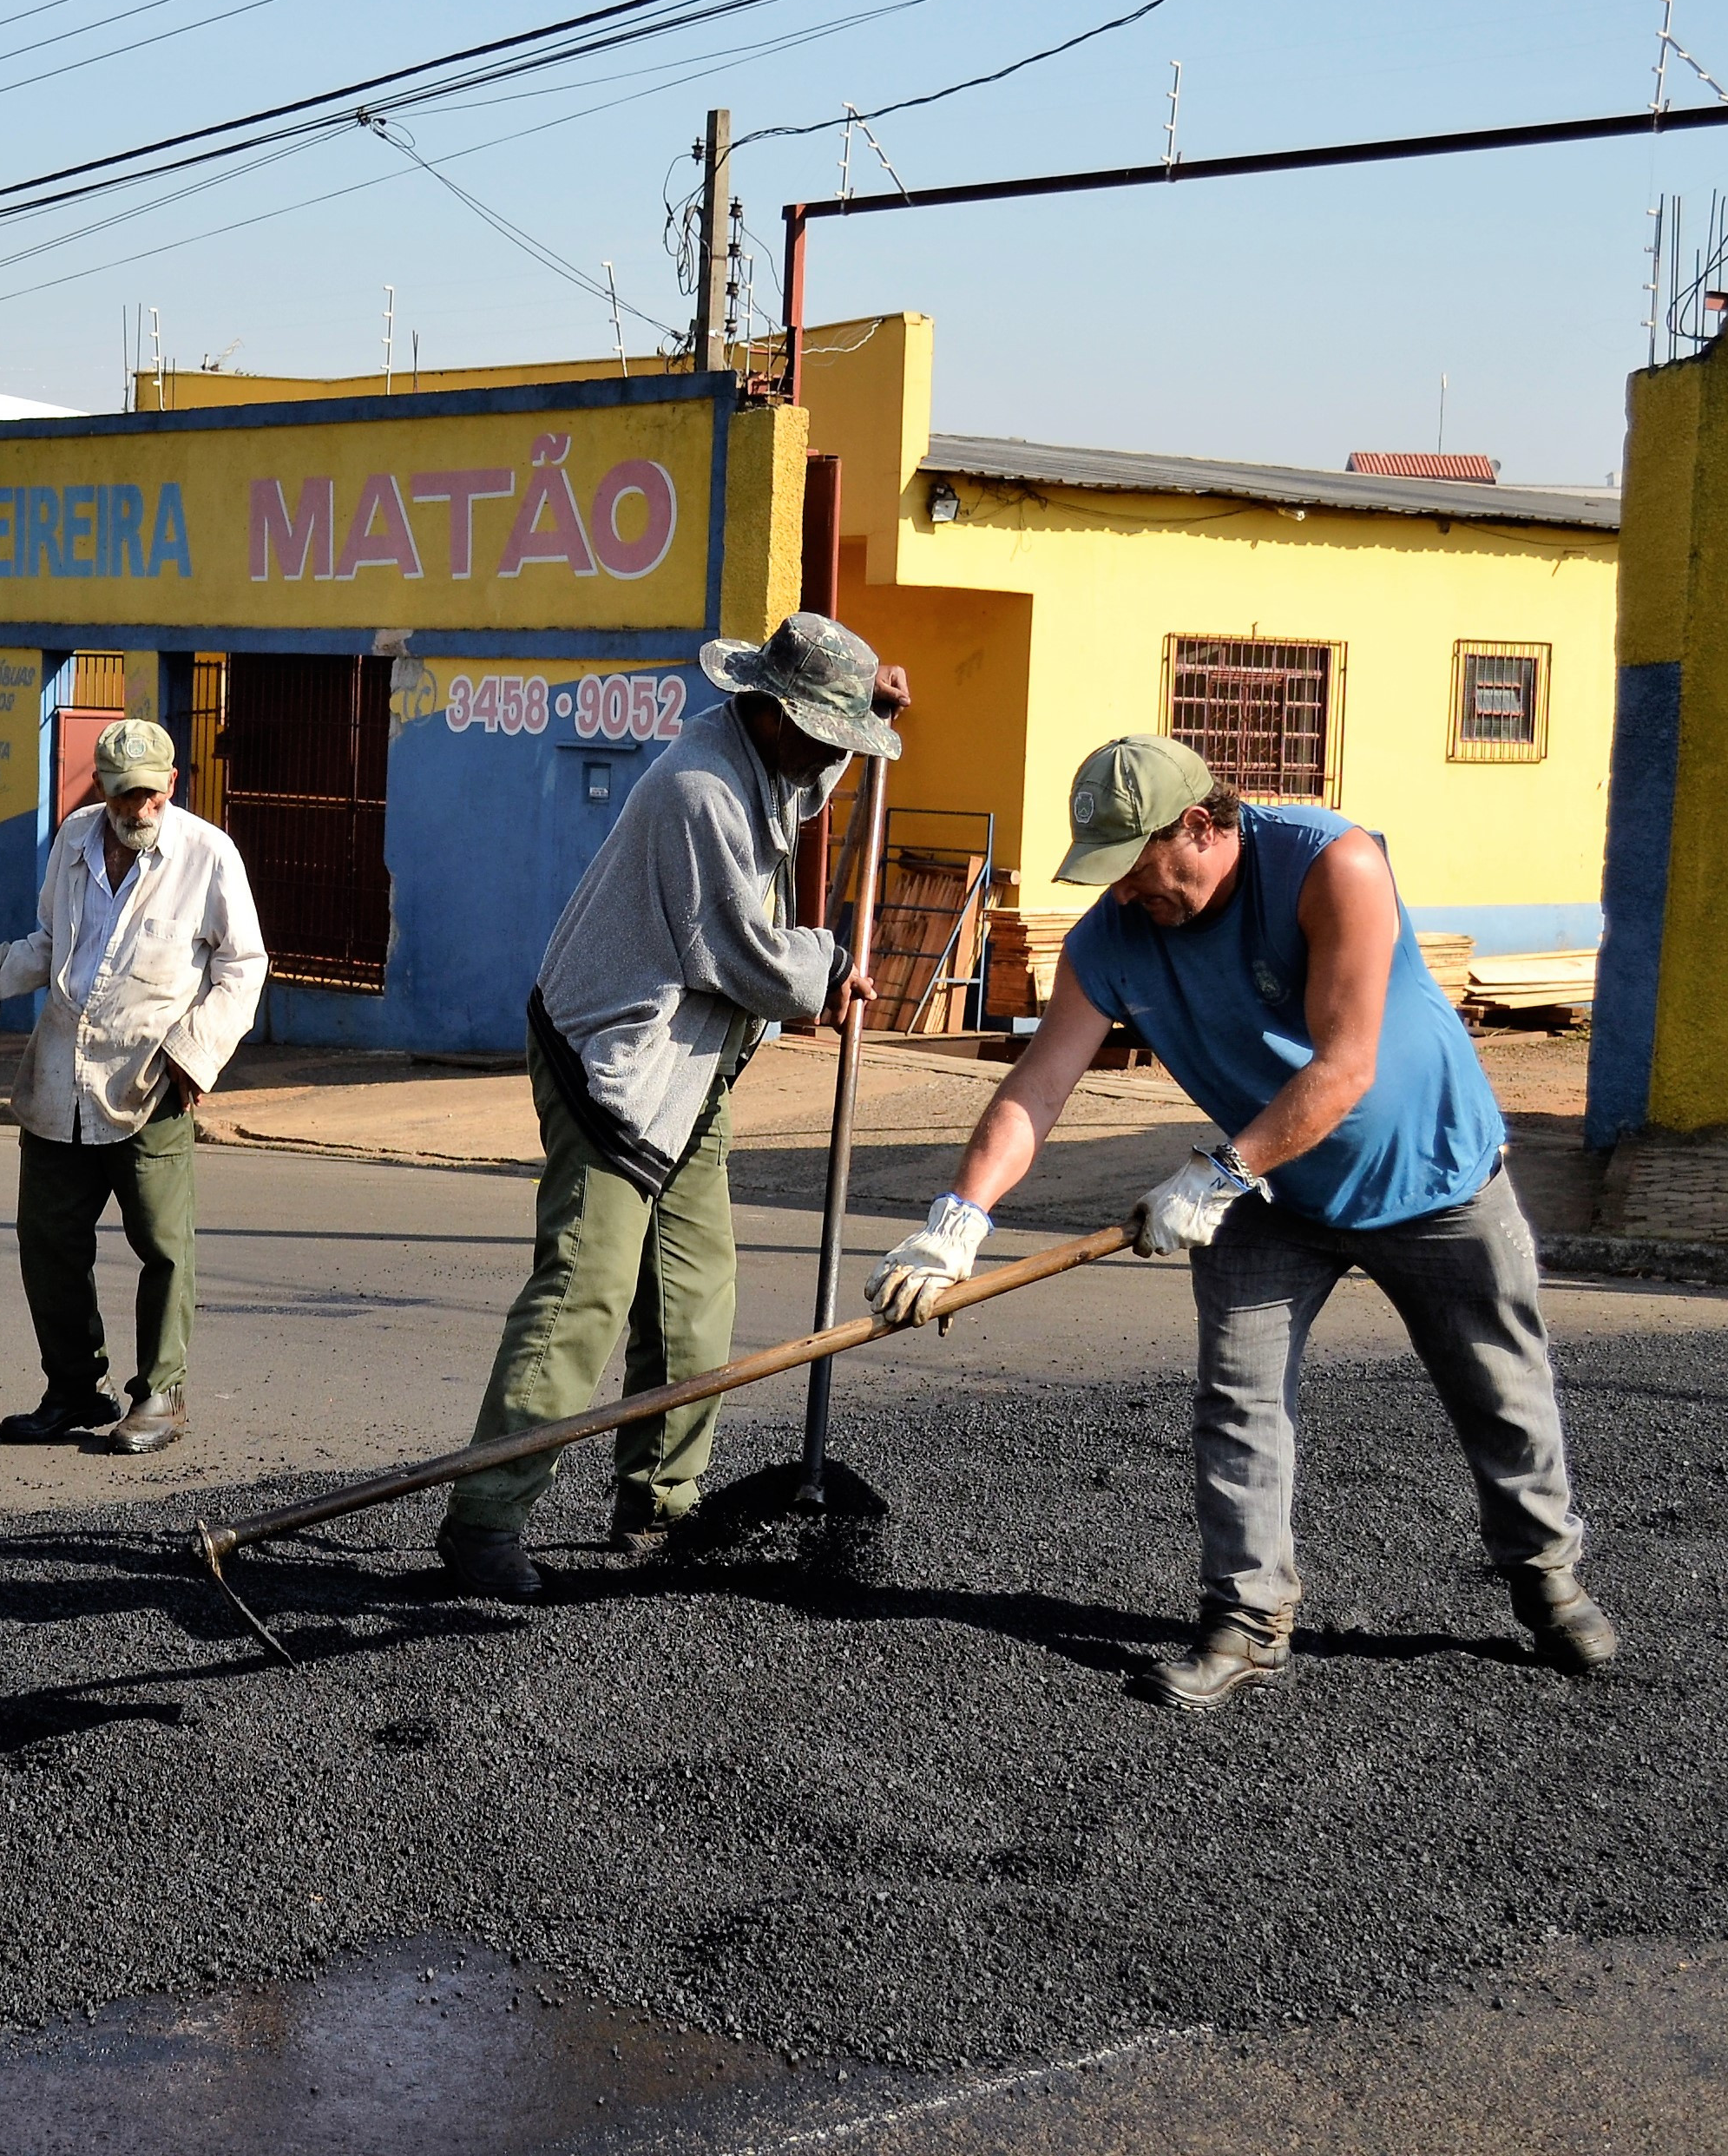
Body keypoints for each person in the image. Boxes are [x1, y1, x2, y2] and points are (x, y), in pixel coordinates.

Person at [867, 734, 1620, 1710]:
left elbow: (1345, 1067)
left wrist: (1218, 1173)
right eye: (1111, 875)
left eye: (1138, 866)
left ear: (1201, 825)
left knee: (1498, 1388)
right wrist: (956, 1221)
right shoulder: (1113, 938)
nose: (1128, 893)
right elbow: (1038, 1084)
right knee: (1239, 1398)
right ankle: (1246, 1620)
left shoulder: (1329, 863)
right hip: (1271, 1194)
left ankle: (1546, 1579)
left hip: (1432, 1177)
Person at [432, 613, 903, 1596]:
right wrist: (833, 964)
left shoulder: (764, 761)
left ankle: (659, 1498)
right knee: (584, 1295)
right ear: (773, 714)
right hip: (613, 1059)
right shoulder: (699, 790)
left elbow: (806, 793)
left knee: (693, 1301)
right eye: (826, 730)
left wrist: (868, 716)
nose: (832, 753)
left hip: (696, 1069)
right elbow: (739, 950)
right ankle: (484, 1517)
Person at [0, 718, 268, 1455]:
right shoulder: (72, 842)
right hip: (60, 1074)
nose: (136, 810)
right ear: (101, 788)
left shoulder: (207, 856)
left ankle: (160, 1395)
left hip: (150, 1079)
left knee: (163, 1245)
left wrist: (196, 1054)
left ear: (171, 785)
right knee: (47, 1240)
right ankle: (73, 1389)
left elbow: (242, 966)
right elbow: (50, 944)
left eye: (148, 795)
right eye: (123, 796)